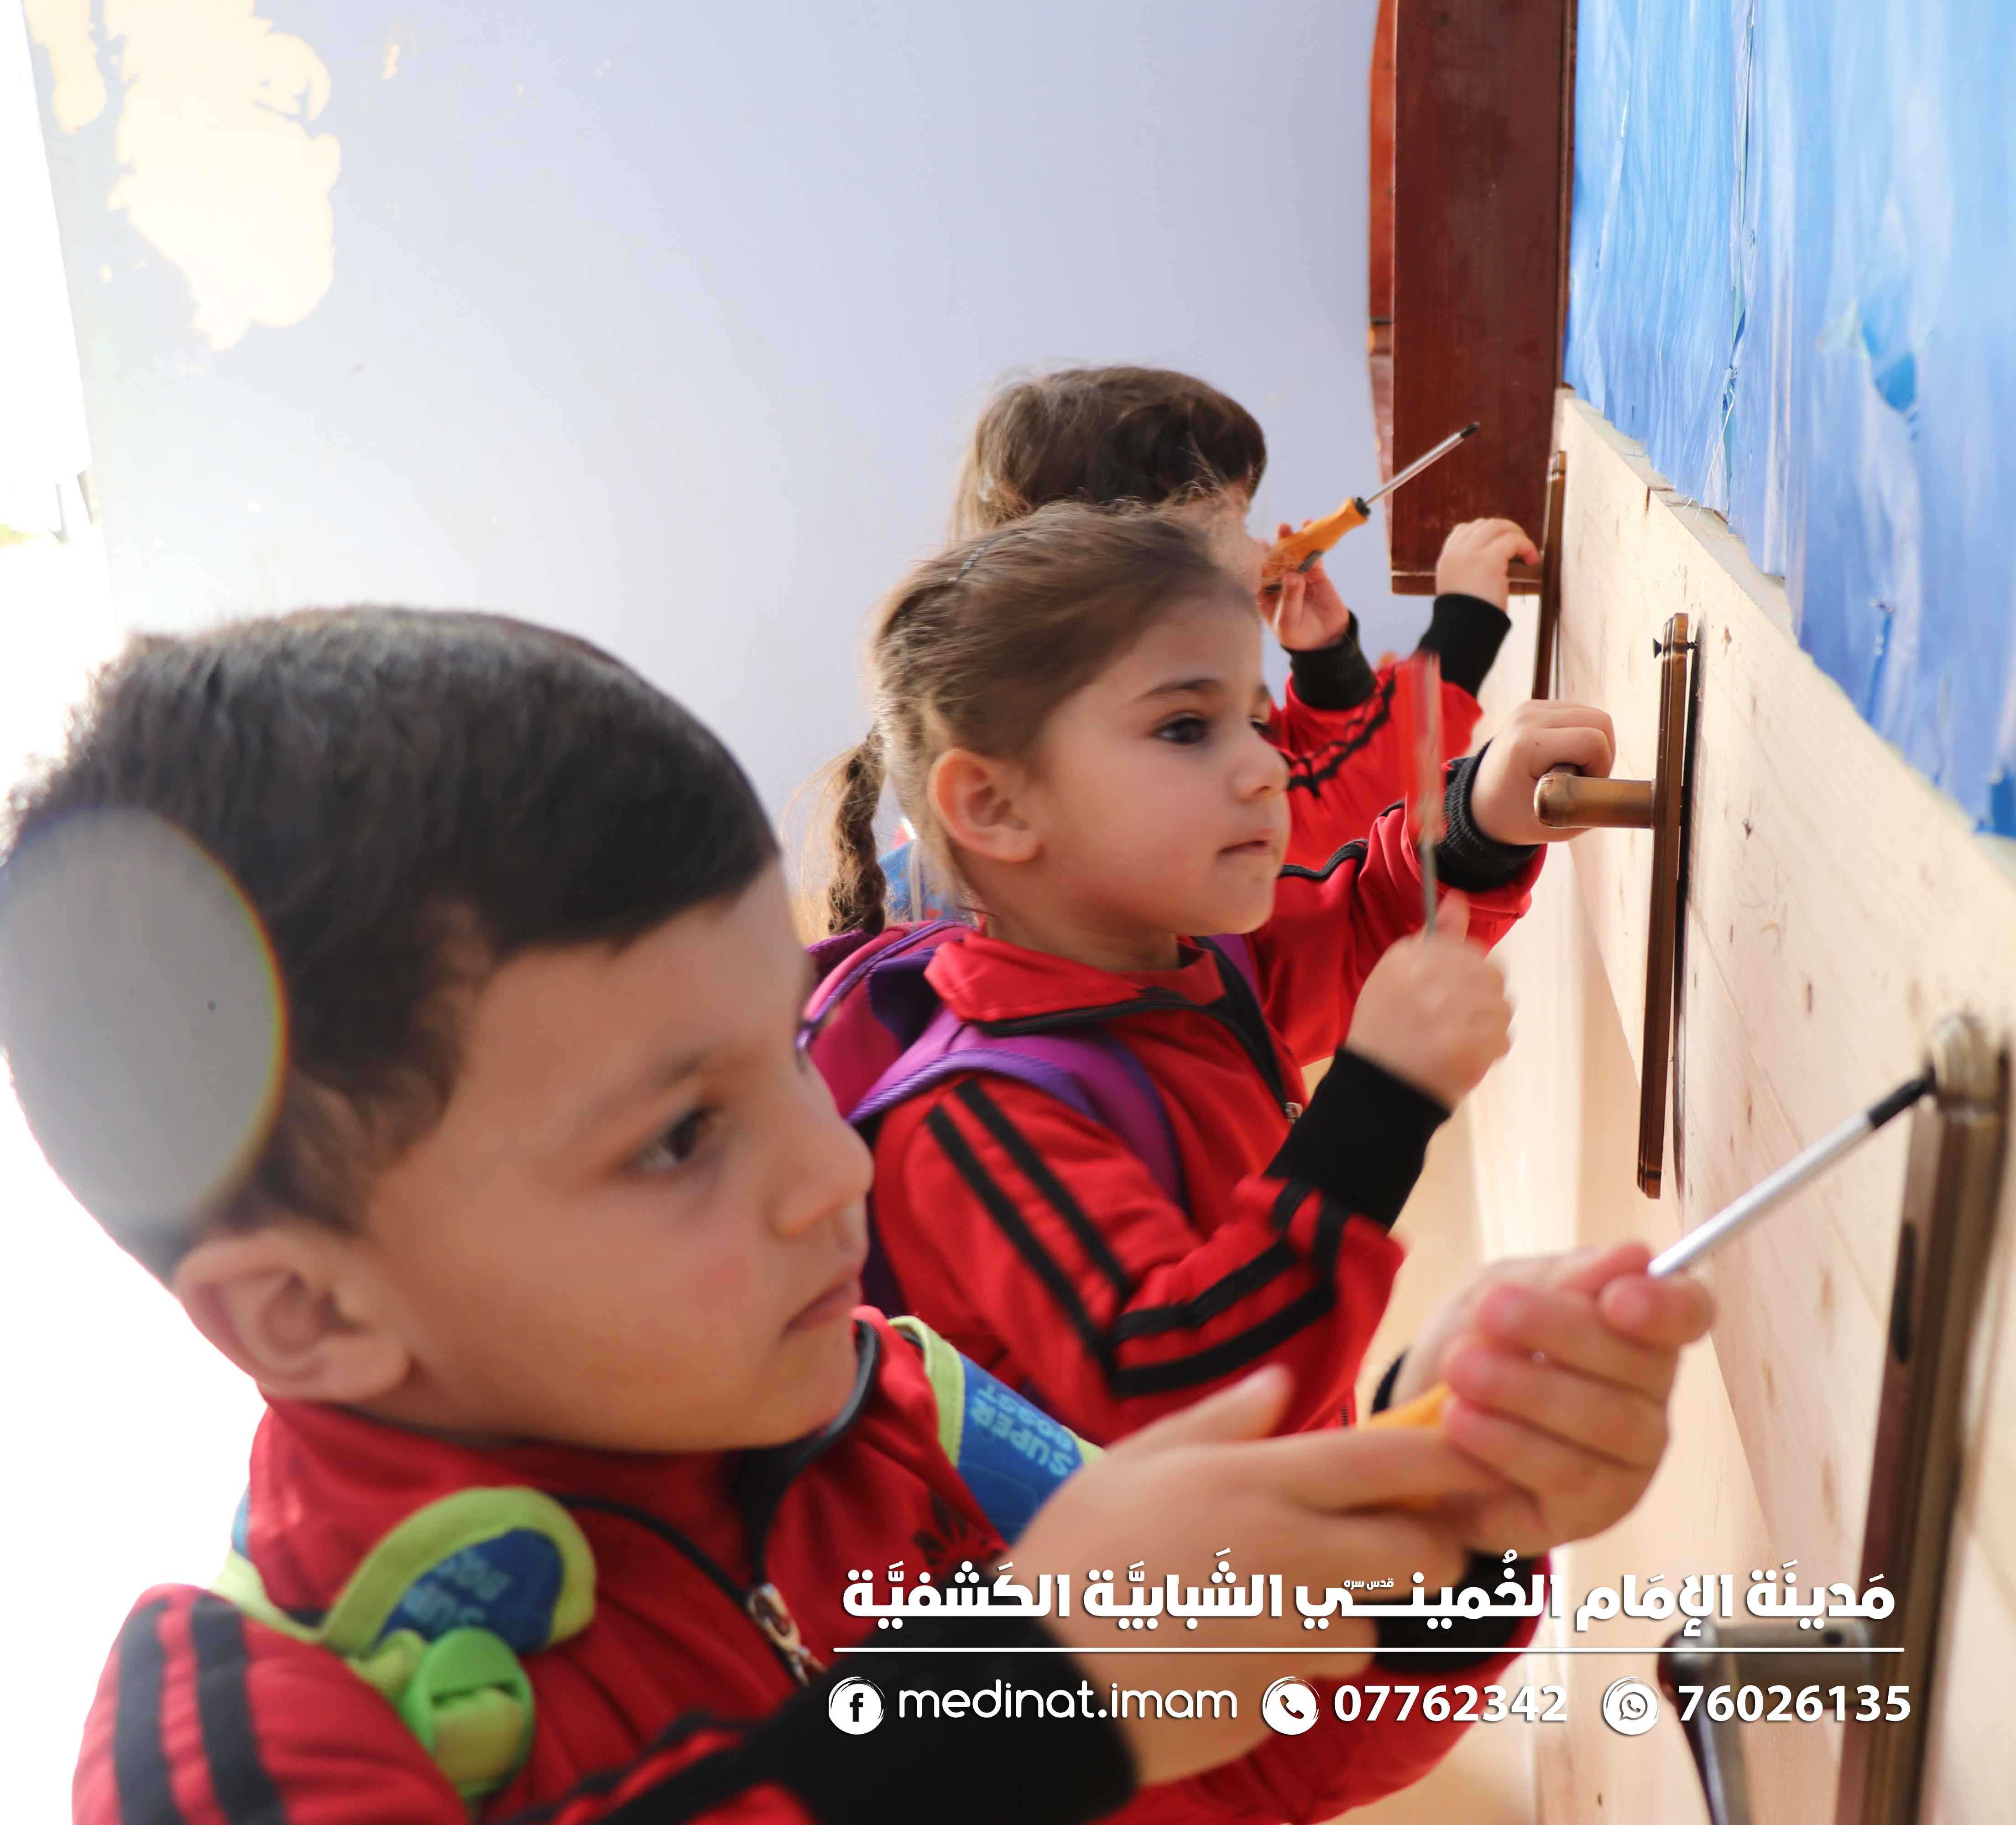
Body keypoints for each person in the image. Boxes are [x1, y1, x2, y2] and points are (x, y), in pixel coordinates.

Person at [0, 609, 1713, 1823]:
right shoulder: (235, 1741)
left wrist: (1451, 1496)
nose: (838, 1172)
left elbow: (1245, 1758)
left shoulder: (899, 1403)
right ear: (306, 1313)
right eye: (681, 1138)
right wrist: (1017, 1703)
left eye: (785, 1054)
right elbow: (1065, 1716)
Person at [813, 506, 1614, 1445]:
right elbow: (1178, 1387)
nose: (1267, 766)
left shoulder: (1189, 951)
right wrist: (1378, 1106)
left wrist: (1479, 818)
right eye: (1187, 727)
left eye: (1256, 719)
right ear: (994, 805)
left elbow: (1362, 917)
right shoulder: (975, 1117)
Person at [867, 362, 1536, 909]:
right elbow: (1343, 808)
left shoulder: (1109, 689)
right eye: (1225, 521)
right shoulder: (1140, 738)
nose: (1260, 549)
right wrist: (1467, 622)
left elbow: (1305, 772)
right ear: (1122, 558)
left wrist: (1327, 667)